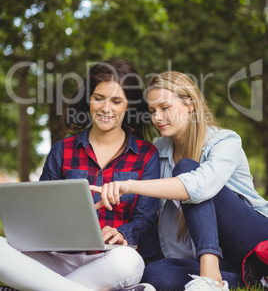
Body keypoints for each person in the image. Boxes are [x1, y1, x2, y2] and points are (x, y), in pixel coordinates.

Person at [91, 71, 268, 291]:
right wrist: (122, 232)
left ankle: (211, 276)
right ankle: (250, 280)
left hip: (254, 241)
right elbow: (149, 213)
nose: (157, 118)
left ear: (190, 104)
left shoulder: (225, 141)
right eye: (152, 111)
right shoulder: (158, 150)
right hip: (214, 257)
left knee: (186, 169)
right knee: (154, 273)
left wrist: (128, 184)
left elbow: (199, 186)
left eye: (165, 108)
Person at [0, 58, 160, 291]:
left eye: (116, 101)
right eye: (98, 98)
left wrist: (123, 233)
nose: (106, 108)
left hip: (109, 261)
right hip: (56, 258)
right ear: (88, 99)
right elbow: (41, 212)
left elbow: (145, 219)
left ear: (129, 105)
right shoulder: (62, 150)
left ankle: (37, 285)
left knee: (130, 262)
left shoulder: (147, 155)